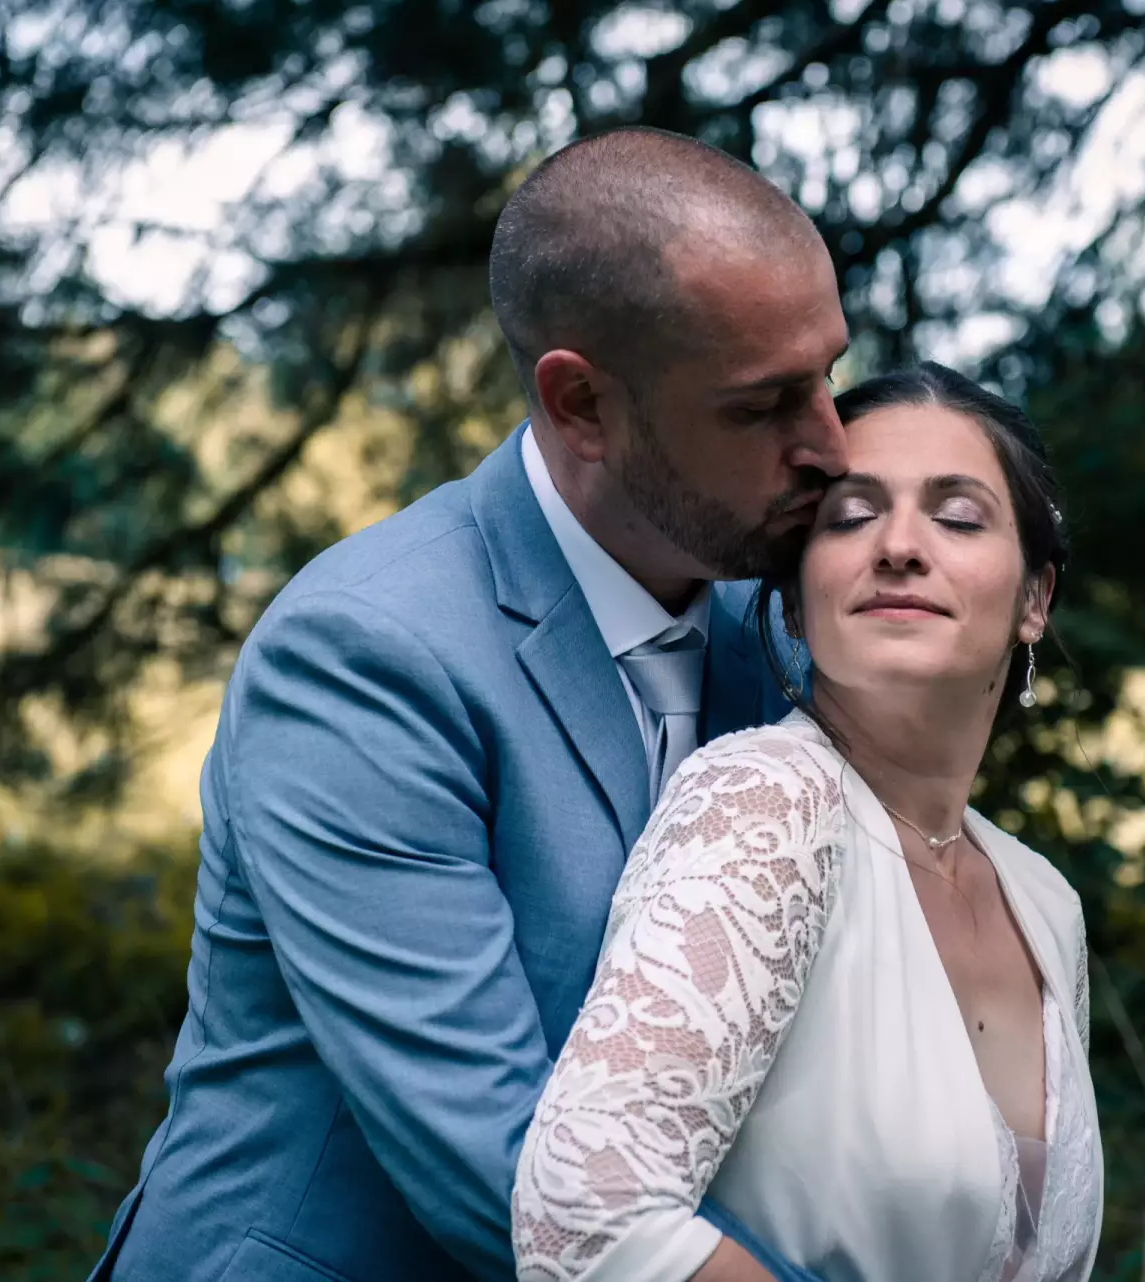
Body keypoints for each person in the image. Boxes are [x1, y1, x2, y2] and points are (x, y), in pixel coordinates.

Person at [89, 127, 848, 1282]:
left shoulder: (776, 624)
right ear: (581, 403)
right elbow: (500, 1166)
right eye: (762, 407)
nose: (831, 449)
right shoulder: (367, 656)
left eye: (831, 375)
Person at [512, 364, 1103, 1282]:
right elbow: (584, 1217)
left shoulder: (1045, 903)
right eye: (852, 515)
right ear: (790, 598)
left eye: (957, 516)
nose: (899, 546)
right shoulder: (765, 805)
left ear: (1035, 598)